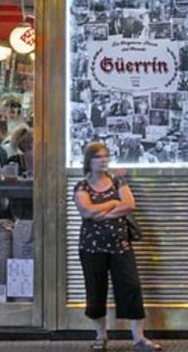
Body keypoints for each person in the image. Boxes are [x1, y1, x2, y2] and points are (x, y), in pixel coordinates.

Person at [72, 143, 159, 351]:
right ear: (89, 161)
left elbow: (129, 204)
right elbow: (86, 212)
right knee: (96, 292)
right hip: (92, 248)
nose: (104, 160)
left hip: (120, 246)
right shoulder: (82, 186)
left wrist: (102, 211)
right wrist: (112, 203)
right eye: (99, 157)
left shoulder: (117, 181)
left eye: (106, 156)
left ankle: (138, 338)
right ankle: (100, 337)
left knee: (131, 288)